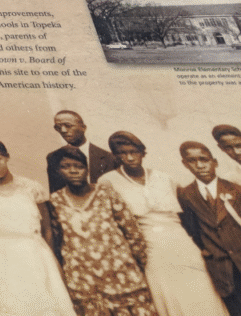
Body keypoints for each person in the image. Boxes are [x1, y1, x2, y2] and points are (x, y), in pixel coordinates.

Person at [98, 132, 227, 316]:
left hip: (181, 240)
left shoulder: (164, 178)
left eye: (134, 152)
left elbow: (190, 213)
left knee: (201, 289)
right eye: (123, 153)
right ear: (116, 156)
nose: (129, 157)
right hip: (149, 246)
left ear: (143, 153)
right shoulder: (107, 181)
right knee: (168, 292)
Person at [0, 138, 75, 316]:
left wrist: (50, 258)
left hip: (35, 252)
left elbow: (47, 229)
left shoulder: (32, 187)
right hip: (4, 256)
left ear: (6, 157)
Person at [48, 145, 157, 316]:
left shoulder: (106, 192)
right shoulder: (55, 201)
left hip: (123, 277)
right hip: (85, 283)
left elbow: (132, 231)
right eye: (66, 167)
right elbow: (57, 240)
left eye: (79, 166)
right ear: (58, 171)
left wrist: (136, 264)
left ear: (87, 169)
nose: (74, 171)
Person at [177, 141, 241, 316]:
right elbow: (192, 230)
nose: (199, 165)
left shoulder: (235, 189)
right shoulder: (185, 195)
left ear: (215, 162)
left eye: (204, 159)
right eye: (192, 161)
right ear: (185, 164)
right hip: (221, 267)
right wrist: (209, 250)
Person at [46, 110, 116, 193]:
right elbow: (55, 193)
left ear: (83, 128)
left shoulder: (109, 157)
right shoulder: (53, 157)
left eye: (68, 125)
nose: (63, 130)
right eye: (58, 127)